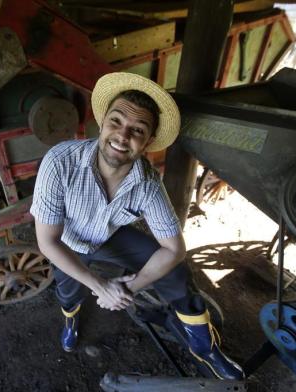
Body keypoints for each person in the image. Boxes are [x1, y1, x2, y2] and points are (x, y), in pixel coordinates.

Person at [30, 72, 244, 380]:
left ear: (148, 142)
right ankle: (71, 320)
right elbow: (48, 242)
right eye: (116, 121)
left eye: (138, 129)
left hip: (109, 237)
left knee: (176, 270)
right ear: (102, 122)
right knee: (68, 290)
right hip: (68, 241)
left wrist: (128, 288)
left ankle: (205, 347)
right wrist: (101, 286)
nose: (122, 135)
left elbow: (175, 248)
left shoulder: (147, 183)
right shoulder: (60, 161)